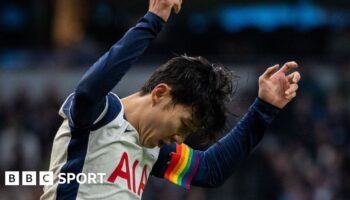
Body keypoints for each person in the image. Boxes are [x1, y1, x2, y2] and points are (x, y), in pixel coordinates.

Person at [41, 0, 301, 199]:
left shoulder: (152, 149)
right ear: (160, 93)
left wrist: (264, 108)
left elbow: (210, 169)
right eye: (184, 125)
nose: (180, 138)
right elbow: (88, 91)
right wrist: (152, 21)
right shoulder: (99, 117)